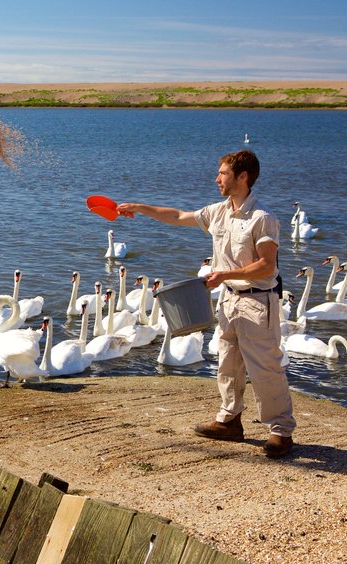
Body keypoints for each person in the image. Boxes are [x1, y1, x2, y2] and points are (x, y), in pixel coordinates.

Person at [117, 150, 295, 458]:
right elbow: (177, 216)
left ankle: (280, 431)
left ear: (243, 177)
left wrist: (228, 273)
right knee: (227, 364)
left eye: (223, 173)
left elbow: (267, 266)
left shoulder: (262, 218)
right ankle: (229, 421)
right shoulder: (218, 212)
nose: (217, 179)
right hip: (228, 300)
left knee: (265, 369)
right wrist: (140, 208)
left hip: (257, 302)